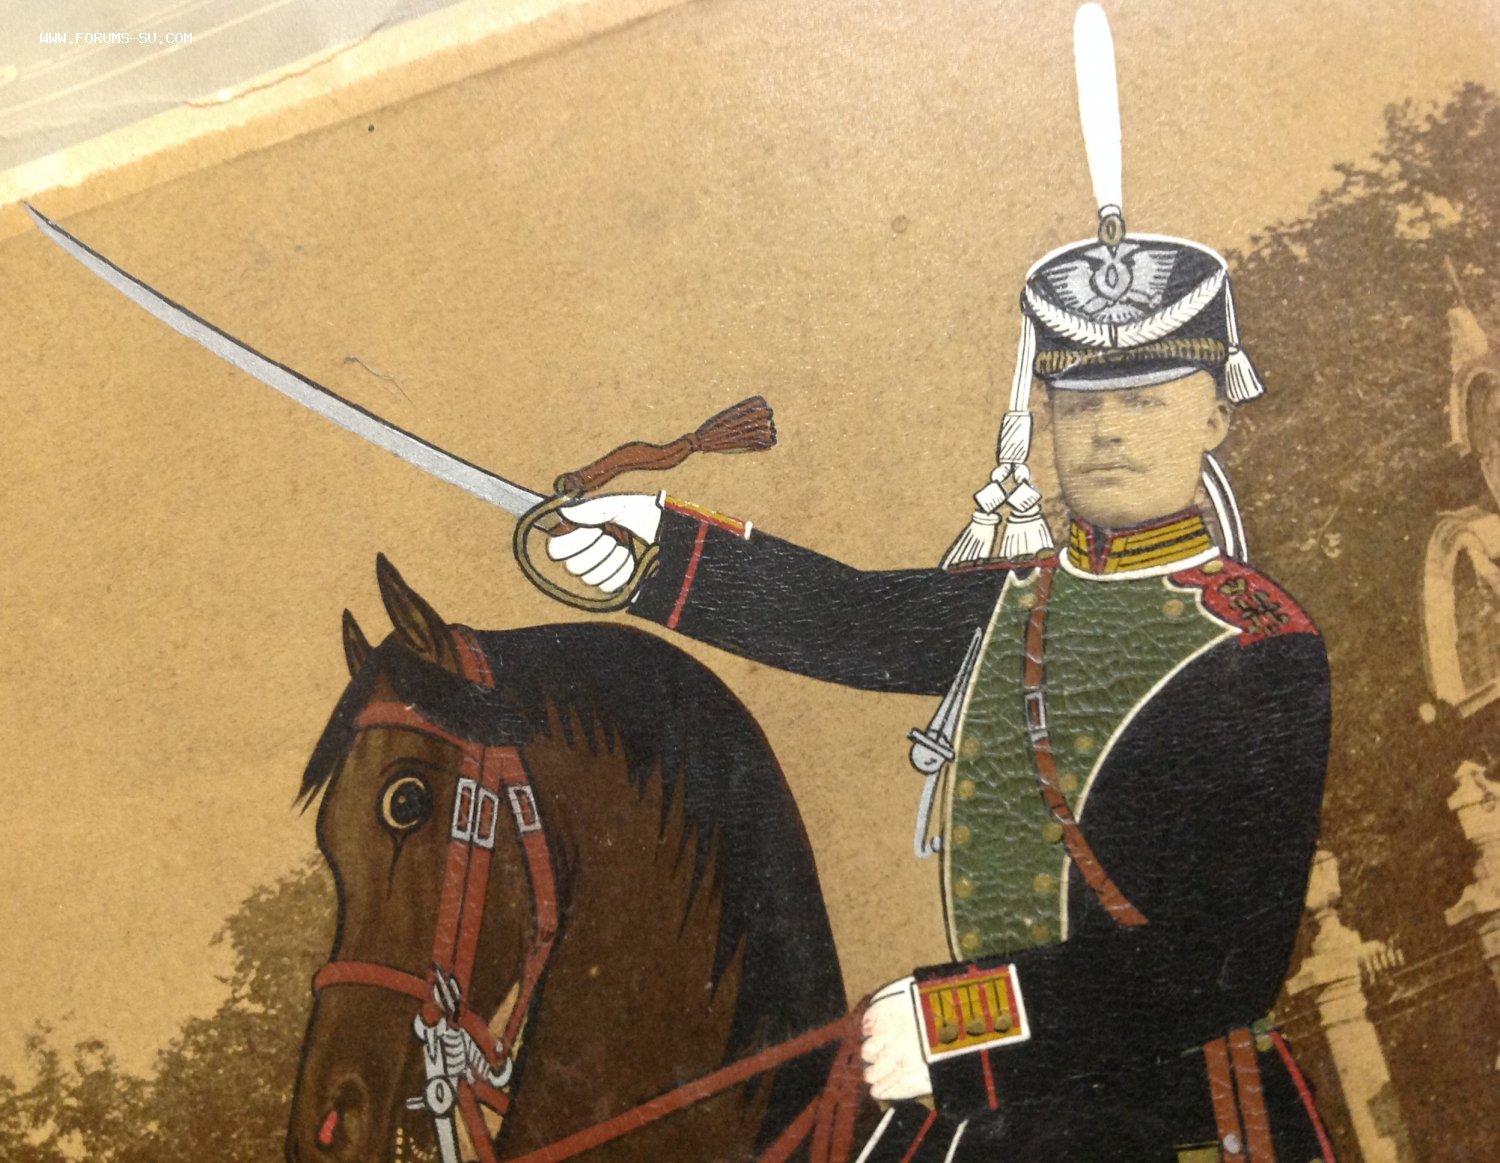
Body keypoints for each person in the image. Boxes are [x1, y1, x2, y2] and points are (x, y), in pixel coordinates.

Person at [539, 10, 1334, 1159]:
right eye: (1081, 402)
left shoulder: (1260, 647)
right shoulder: (1023, 598)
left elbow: (1217, 967)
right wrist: (656, 548)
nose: (1109, 430)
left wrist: (963, 1022)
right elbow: (847, 616)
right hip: (1000, 1105)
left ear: (1215, 411)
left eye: (1146, 399)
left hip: (1180, 1117)